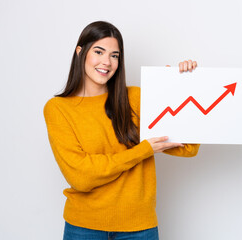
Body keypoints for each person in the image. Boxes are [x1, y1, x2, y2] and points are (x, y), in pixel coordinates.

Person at [43, 21, 200, 240]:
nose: (106, 62)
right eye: (99, 51)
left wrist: (180, 87)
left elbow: (189, 148)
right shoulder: (58, 109)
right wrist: (142, 151)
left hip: (139, 227)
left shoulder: (134, 99)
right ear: (80, 52)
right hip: (83, 227)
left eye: (115, 55)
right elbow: (81, 176)